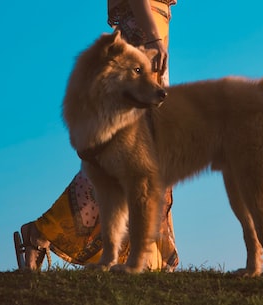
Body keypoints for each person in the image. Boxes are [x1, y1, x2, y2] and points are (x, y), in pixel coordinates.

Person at [14, 0, 179, 272]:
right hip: (143, 34)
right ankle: (45, 232)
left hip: (151, 32)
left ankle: (147, 254)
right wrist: (152, 36)